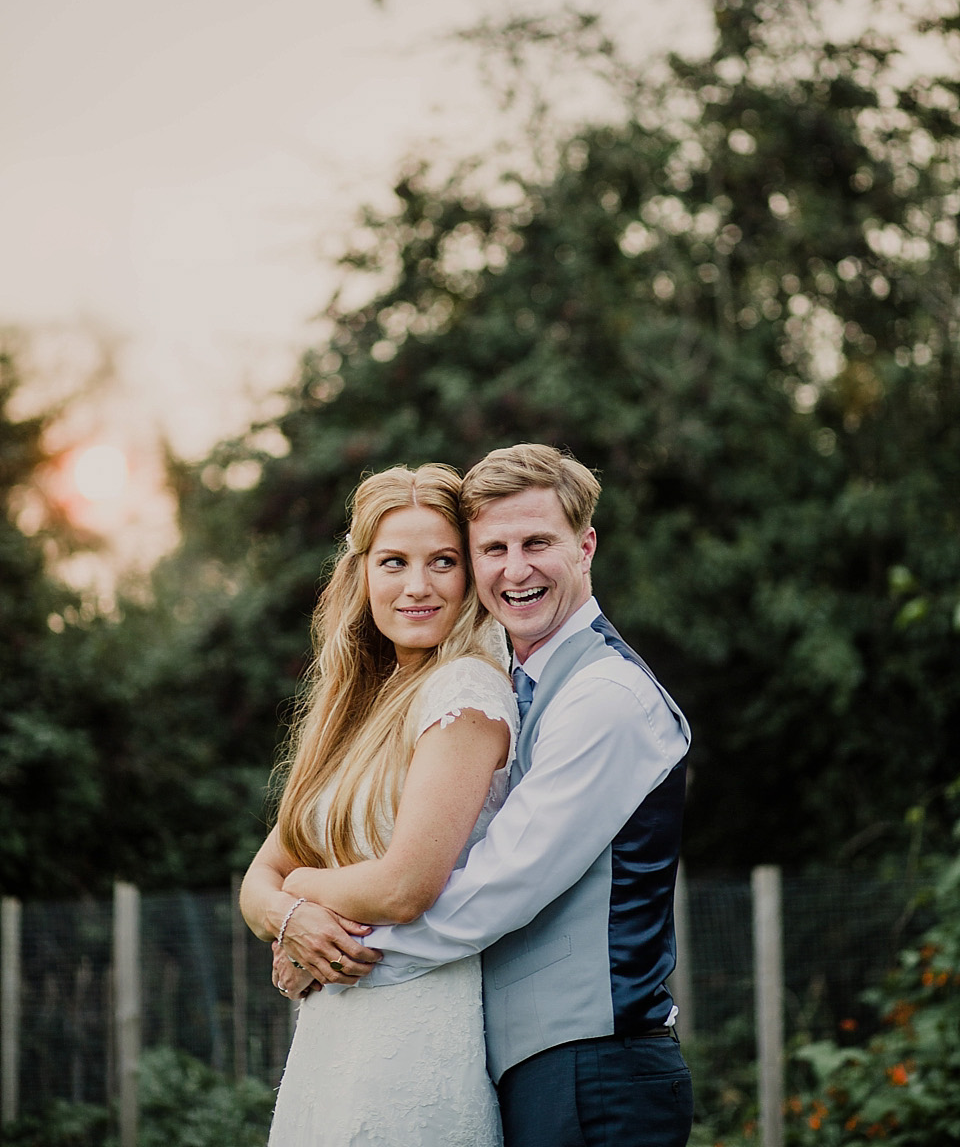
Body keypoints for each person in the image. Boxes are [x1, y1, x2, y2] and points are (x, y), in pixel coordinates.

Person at [357, 443, 694, 1147]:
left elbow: (498, 889)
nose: (516, 570)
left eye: (537, 542)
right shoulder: (517, 685)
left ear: (585, 546)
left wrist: (346, 958)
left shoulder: (605, 697)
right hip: (545, 1073)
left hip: (597, 1072)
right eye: (494, 548)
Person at [239, 463, 519, 1147]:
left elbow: (402, 887)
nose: (417, 586)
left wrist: (299, 892)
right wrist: (287, 917)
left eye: (443, 562)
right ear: (363, 574)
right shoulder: (359, 705)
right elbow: (255, 883)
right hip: (334, 1034)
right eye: (395, 561)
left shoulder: (465, 691)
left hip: (412, 1028)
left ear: (470, 577)